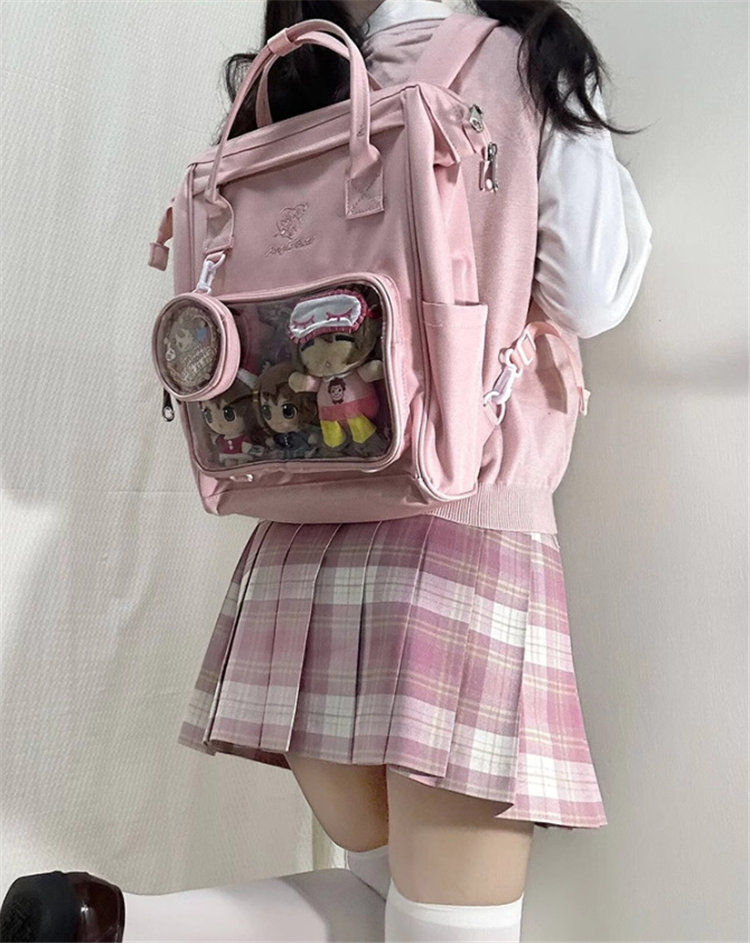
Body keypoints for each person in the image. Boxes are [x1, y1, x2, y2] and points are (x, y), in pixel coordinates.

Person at [0, 1, 652, 941]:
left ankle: (107, 922)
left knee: (389, 903)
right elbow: (590, 289)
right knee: (451, 923)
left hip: (299, 547)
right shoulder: (522, 60)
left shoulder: (290, 85)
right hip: (460, 535)